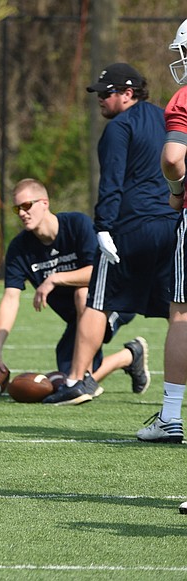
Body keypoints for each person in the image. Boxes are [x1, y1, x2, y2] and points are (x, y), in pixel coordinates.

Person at [52, 63, 178, 405]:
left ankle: (78, 380)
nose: (101, 100)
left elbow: (111, 183)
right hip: (172, 224)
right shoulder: (169, 117)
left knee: (98, 301)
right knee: (178, 310)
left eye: (107, 93)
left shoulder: (119, 128)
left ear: (128, 93)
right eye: (99, 94)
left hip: (131, 228)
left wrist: (103, 227)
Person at [0, 178, 146, 404]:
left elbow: (98, 273)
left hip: (113, 301)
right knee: (69, 377)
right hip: (78, 320)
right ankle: (129, 356)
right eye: (17, 208)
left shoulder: (77, 225)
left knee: (82, 293)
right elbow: (10, 298)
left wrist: (55, 279)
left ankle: (89, 379)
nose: (22, 213)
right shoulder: (19, 248)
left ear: (44, 203)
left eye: (27, 205)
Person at [138, 20, 187, 445]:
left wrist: (176, 193)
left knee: (183, 314)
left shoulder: (184, 97)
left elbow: (173, 159)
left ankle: (171, 415)